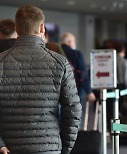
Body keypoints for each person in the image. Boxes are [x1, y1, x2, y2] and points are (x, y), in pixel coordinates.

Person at [0, 5, 81, 154]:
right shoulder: (60, 62)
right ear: (42, 28)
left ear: (17, 29)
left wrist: (0, 145)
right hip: (49, 148)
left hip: (10, 148)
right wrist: (64, 148)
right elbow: (73, 109)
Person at [60, 32, 96, 103]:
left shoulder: (54, 53)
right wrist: (89, 91)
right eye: (74, 41)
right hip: (74, 89)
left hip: (59, 89)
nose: (74, 44)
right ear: (69, 42)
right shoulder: (77, 54)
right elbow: (83, 74)